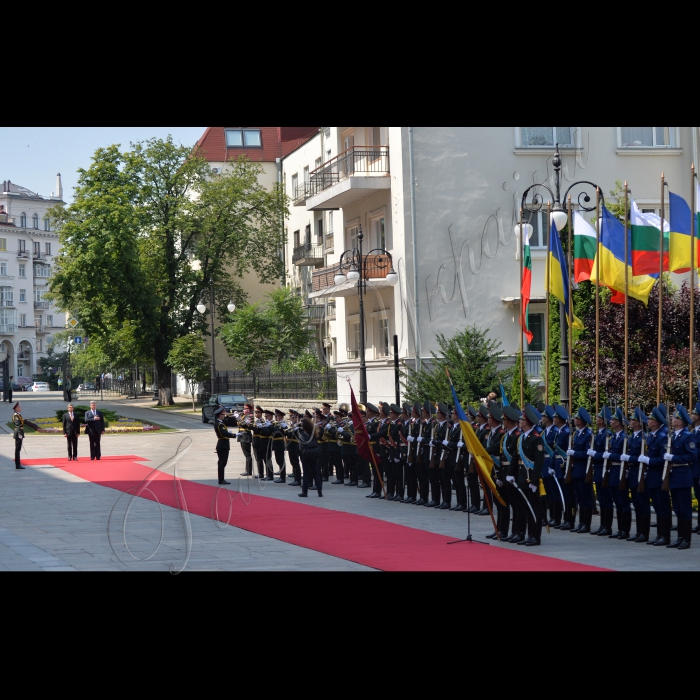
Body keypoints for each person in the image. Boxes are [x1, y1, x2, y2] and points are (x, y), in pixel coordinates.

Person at [664, 405, 697, 550]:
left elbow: (692, 455)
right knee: (677, 508)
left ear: (681, 422)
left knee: (685, 509)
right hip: (673, 475)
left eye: (675, 418)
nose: (672, 419)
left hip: (682, 474)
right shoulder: (673, 435)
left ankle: (686, 539)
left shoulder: (688, 436)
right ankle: (680, 537)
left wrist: (673, 458)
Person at [638, 405, 670, 546]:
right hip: (651, 476)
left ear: (656, 422)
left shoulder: (662, 437)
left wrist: (649, 460)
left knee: (663, 507)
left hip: (659, 476)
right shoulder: (653, 436)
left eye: (650, 419)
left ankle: (665, 536)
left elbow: (664, 458)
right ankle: (659, 535)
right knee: (657, 506)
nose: (648, 421)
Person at [566, 408, 594, 534]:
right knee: (580, 498)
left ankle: (586, 524)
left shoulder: (588, 434)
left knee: (586, 498)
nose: (575, 420)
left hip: (583, 469)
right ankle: (581, 522)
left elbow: (588, 453)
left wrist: (575, 453)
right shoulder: (576, 434)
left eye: (577, 418)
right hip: (576, 469)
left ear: (581, 421)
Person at [588, 408, 614, 537]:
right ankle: (602, 525)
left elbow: (606, 454)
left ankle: (607, 526)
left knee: (606, 499)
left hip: (604, 469)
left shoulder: (607, 434)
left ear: (603, 420)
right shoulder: (598, 434)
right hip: (598, 469)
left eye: (598, 417)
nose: (596, 419)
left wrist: (595, 455)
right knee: (601, 500)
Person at [298, 417, 323, 498]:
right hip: (315, 454)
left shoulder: (302, 435)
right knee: (316, 474)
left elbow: (300, 448)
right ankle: (320, 492)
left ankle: (304, 492)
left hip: (306, 455)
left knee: (306, 474)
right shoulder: (314, 433)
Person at [214, 406, 235, 485]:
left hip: (223, 444)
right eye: (223, 414)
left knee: (222, 463)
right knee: (222, 463)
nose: (224, 415)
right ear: (219, 415)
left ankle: (221, 479)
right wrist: (234, 435)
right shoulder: (219, 424)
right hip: (223, 444)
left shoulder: (221, 423)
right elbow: (224, 434)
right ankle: (221, 480)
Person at [236, 403, 254, 477]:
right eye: (244, 408)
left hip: (246, 437)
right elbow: (239, 423)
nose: (244, 410)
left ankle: (248, 471)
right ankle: (247, 470)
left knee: (247, 455)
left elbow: (243, 424)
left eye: (246, 409)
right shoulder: (243, 416)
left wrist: (238, 418)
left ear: (249, 410)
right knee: (246, 455)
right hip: (242, 436)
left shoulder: (250, 416)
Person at [12, 402, 24, 469]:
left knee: (18, 449)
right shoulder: (16, 416)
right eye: (19, 407)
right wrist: (19, 434)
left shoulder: (18, 415)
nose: (20, 408)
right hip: (18, 433)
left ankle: (18, 464)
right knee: (17, 450)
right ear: (16, 408)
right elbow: (17, 425)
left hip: (20, 432)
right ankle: (17, 465)